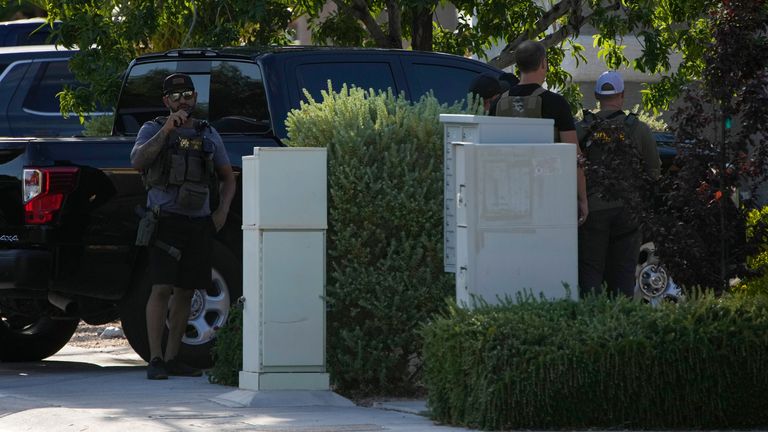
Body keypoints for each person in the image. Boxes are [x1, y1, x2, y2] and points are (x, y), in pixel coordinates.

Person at [130, 73, 236, 380]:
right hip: (165, 221)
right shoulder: (152, 128)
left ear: (195, 97)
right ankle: (156, 359)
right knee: (161, 287)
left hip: (198, 223)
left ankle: (175, 358)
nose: (183, 101)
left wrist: (222, 212)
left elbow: (228, 177)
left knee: (187, 291)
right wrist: (166, 129)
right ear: (166, 101)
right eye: (176, 97)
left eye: (188, 95)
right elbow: (138, 160)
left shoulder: (207, 132)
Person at [577, 70, 661, 298]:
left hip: (592, 210)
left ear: (596, 96)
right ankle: (622, 319)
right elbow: (654, 170)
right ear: (622, 95)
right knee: (623, 272)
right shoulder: (638, 129)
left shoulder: (582, 129)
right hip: (628, 211)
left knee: (590, 271)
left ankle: (592, 321)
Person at [491, 40, 589, 225]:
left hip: (507, 196)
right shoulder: (556, 103)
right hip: (548, 194)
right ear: (544, 63)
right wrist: (582, 198)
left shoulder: (498, 104)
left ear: (518, 66)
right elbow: (573, 156)